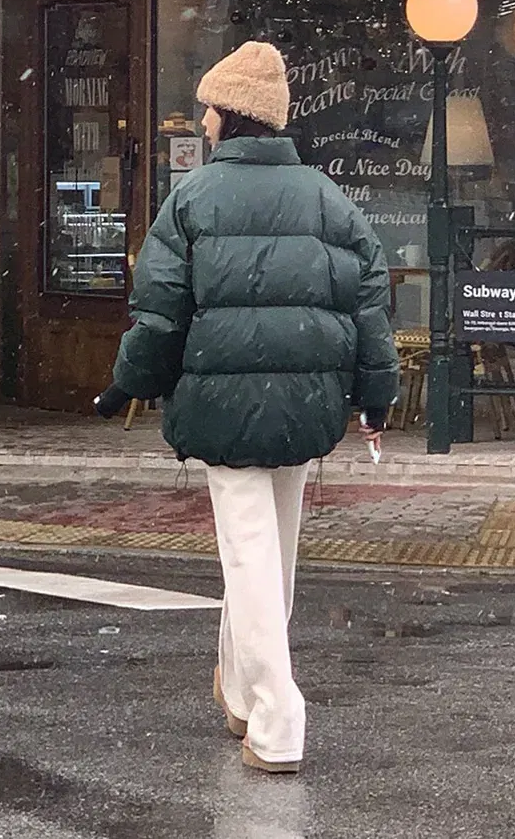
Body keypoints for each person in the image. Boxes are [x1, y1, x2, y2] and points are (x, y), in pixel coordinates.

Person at [95, 41, 399, 774]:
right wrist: (376, 397)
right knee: (274, 555)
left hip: (223, 401)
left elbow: (160, 315)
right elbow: (369, 306)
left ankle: (277, 717)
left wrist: (125, 385)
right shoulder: (328, 198)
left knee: (249, 553)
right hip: (308, 400)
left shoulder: (192, 200)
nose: (202, 120)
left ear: (231, 114)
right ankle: (238, 689)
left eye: (209, 107)